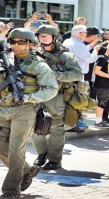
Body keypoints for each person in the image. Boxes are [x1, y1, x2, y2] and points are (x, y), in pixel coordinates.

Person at [0, 28, 58, 199]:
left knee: (16, 152)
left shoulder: (38, 65)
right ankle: (28, 169)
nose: (15, 45)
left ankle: (11, 191)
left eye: (20, 42)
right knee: (0, 150)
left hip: (25, 110)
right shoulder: (3, 61)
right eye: (13, 41)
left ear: (30, 44)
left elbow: (51, 90)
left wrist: (28, 97)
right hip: (3, 109)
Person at [31, 25, 83, 170]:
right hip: (37, 94)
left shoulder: (65, 56)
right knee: (35, 125)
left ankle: (54, 159)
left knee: (56, 128)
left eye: (46, 36)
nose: (43, 38)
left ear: (54, 38)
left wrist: (55, 75)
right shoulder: (35, 54)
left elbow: (77, 74)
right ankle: (41, 154)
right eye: (40, 36)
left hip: (56, 96)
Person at [63, 25, 100, 130]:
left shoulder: (67, 42)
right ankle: (73, 123)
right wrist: (96, 50)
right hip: (77, 76)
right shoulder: (78, 44)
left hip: (69, 75)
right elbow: (90, 59)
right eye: (85, 33)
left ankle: (70, 123)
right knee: (78, 100)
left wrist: (92, 45)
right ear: (80, 34)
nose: (86, 35)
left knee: (69, 99)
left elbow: (80, 52)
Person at [93, 41, 109, 127]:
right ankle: (98, 121)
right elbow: (97, 71)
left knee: (104, 102)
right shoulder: (102, 58)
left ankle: (100, 120)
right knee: (101, 102)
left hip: (107, 84)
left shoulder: (106, 58)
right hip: (102, 84)